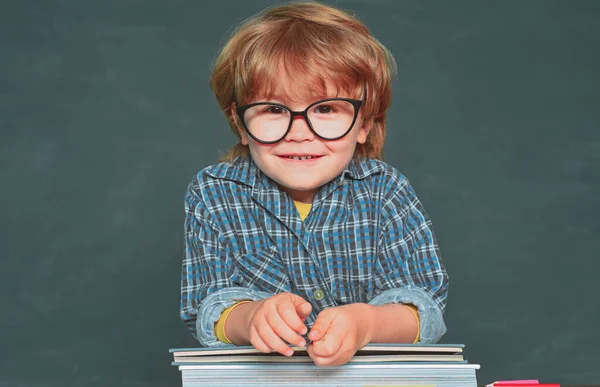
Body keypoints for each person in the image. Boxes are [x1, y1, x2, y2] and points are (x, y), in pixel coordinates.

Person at [180, 1, 448, 367]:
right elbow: (209, 306)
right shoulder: (213, 193)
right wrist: (252, 316)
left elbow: (423, 309)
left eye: (325, 108)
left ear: (364, 124)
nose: (300, 133)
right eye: (274, 110)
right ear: (241, 124)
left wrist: (366, 323)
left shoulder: (386, 191)